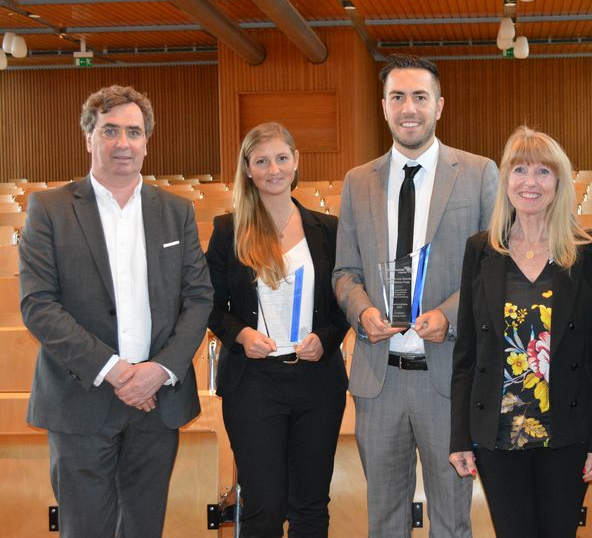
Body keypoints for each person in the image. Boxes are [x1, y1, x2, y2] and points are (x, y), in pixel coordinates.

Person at [18, 85, 213, 538]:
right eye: (110, 131)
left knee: (145, 529)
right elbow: (38, 305)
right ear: (89, 137)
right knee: (84, 530)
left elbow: (198, 298)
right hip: (79, 402)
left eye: (133, 132)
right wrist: (117, 372)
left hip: (156, 402)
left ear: (147, 141)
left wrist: (159, 368)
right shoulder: (50, 209)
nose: (122, 142)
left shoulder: (175, 211)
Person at [333, 53, 499, 537]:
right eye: (398, 97)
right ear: (383, 107)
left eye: (420, 97)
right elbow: (344, 271)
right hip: (378, 376)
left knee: (451, 518)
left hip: (446, 377)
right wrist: (361, 310)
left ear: (439, 106)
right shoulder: (357, 181)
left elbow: (490, 268)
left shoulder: (477, 172)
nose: (409, 107)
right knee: (384, 519)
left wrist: (449, 315)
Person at [449, 126, 592, 537]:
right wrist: (459, 437)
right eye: (520, 170)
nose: (530, 182)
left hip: (567, 430)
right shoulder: (481, 250)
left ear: (559, 182)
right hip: (498, 432)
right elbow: (467, 352)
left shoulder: (587, 250)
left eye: (543, 172)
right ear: (506, 180)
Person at [206, 122, 348, 537]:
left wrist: (326, 338)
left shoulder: (328, 229)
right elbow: (209, 307)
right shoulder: (227, 231)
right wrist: (240, 335)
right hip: (253, 384)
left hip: (316, 382)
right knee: (263, 507)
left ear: (296, 161)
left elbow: (344, 305)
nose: (273, 169)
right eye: (262, 161)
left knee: (310, 506)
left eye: (281, 158)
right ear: (248, 169)